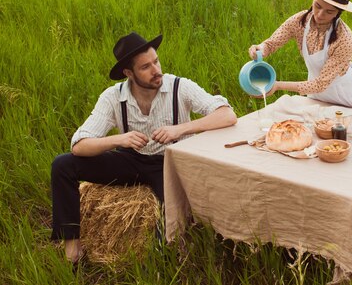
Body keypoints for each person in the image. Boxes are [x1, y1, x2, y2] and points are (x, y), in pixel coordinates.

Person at [50, 31, 237, 264]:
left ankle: (168, 259)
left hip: (171, 162)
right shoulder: (113, 97)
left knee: (169, 232)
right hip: (131, 159)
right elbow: (79, 145)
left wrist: (180, 129)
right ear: (129, 73)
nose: (156, 70)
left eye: (156, 61)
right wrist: (119, 140)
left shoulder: (179, 87)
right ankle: (73, 250)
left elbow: (227, 115)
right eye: (145, 67)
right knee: (63, 164)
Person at [247, 0, 352, 110]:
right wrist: (260, 49)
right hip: (316, 94)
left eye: (329, 12)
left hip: (345, 96)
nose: (320, 15)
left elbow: (320, 84)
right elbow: (271, 43)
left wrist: (278, 85)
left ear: (339, 12)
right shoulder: (299, 21)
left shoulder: (345, 39)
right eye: (318, 6)